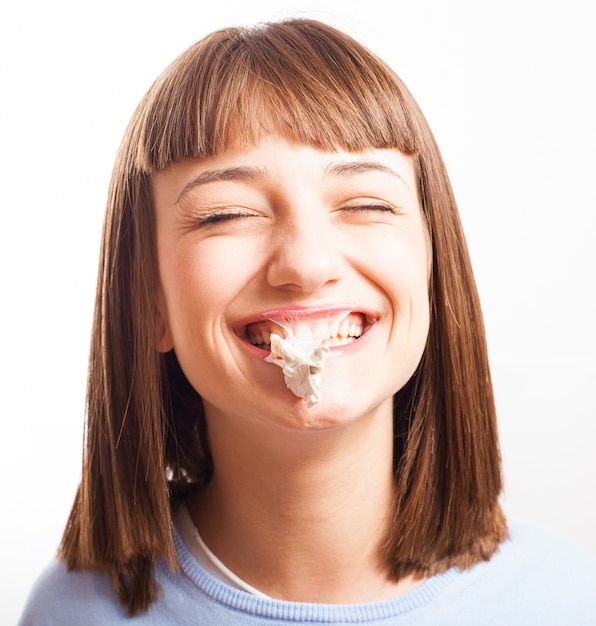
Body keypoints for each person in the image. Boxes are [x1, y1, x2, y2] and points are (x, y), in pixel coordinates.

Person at [19, 18, 596, 625]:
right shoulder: (71, 612)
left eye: (367, 204)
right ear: (148, 301)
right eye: (226, 214)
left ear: (432, 267)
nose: (306, 263)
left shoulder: (568, 601)